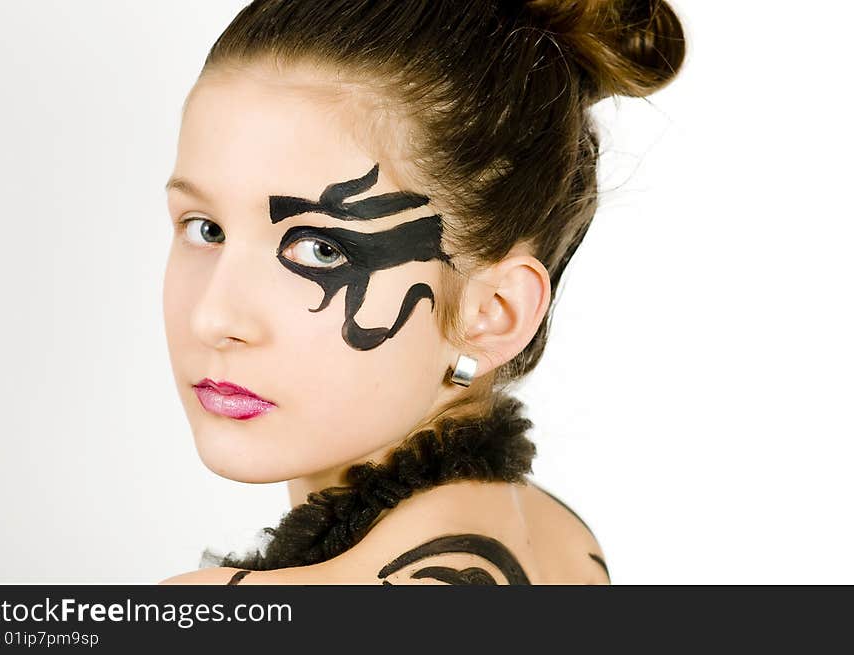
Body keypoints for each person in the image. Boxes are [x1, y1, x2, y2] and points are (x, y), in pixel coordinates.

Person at [158, 0, 686, 585]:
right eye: (205, 229)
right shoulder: (566, 546)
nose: (212, 317)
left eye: (320, 250)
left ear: (493, 310)